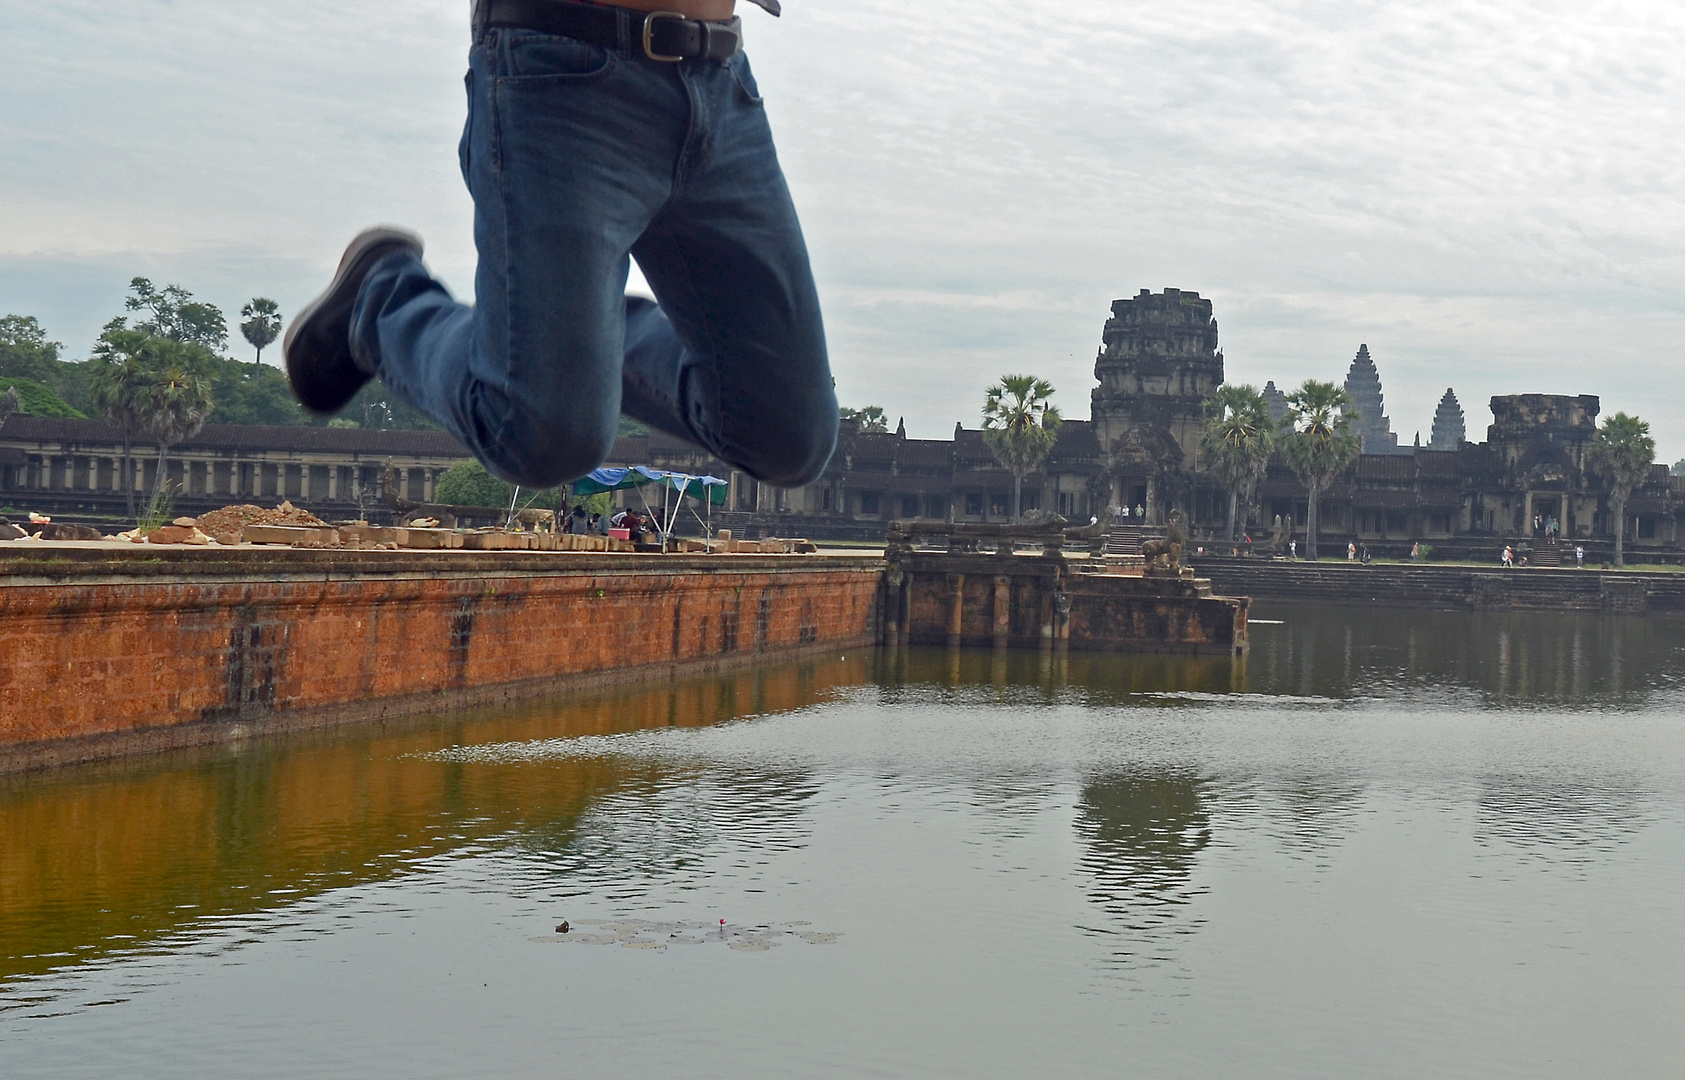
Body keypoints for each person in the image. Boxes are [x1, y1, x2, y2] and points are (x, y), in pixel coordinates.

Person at [282, 0, 837, 501]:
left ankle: (565, 342)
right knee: (540, 435)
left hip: (721, 78)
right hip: (562, 67)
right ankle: (382, 301)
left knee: (786, 435)